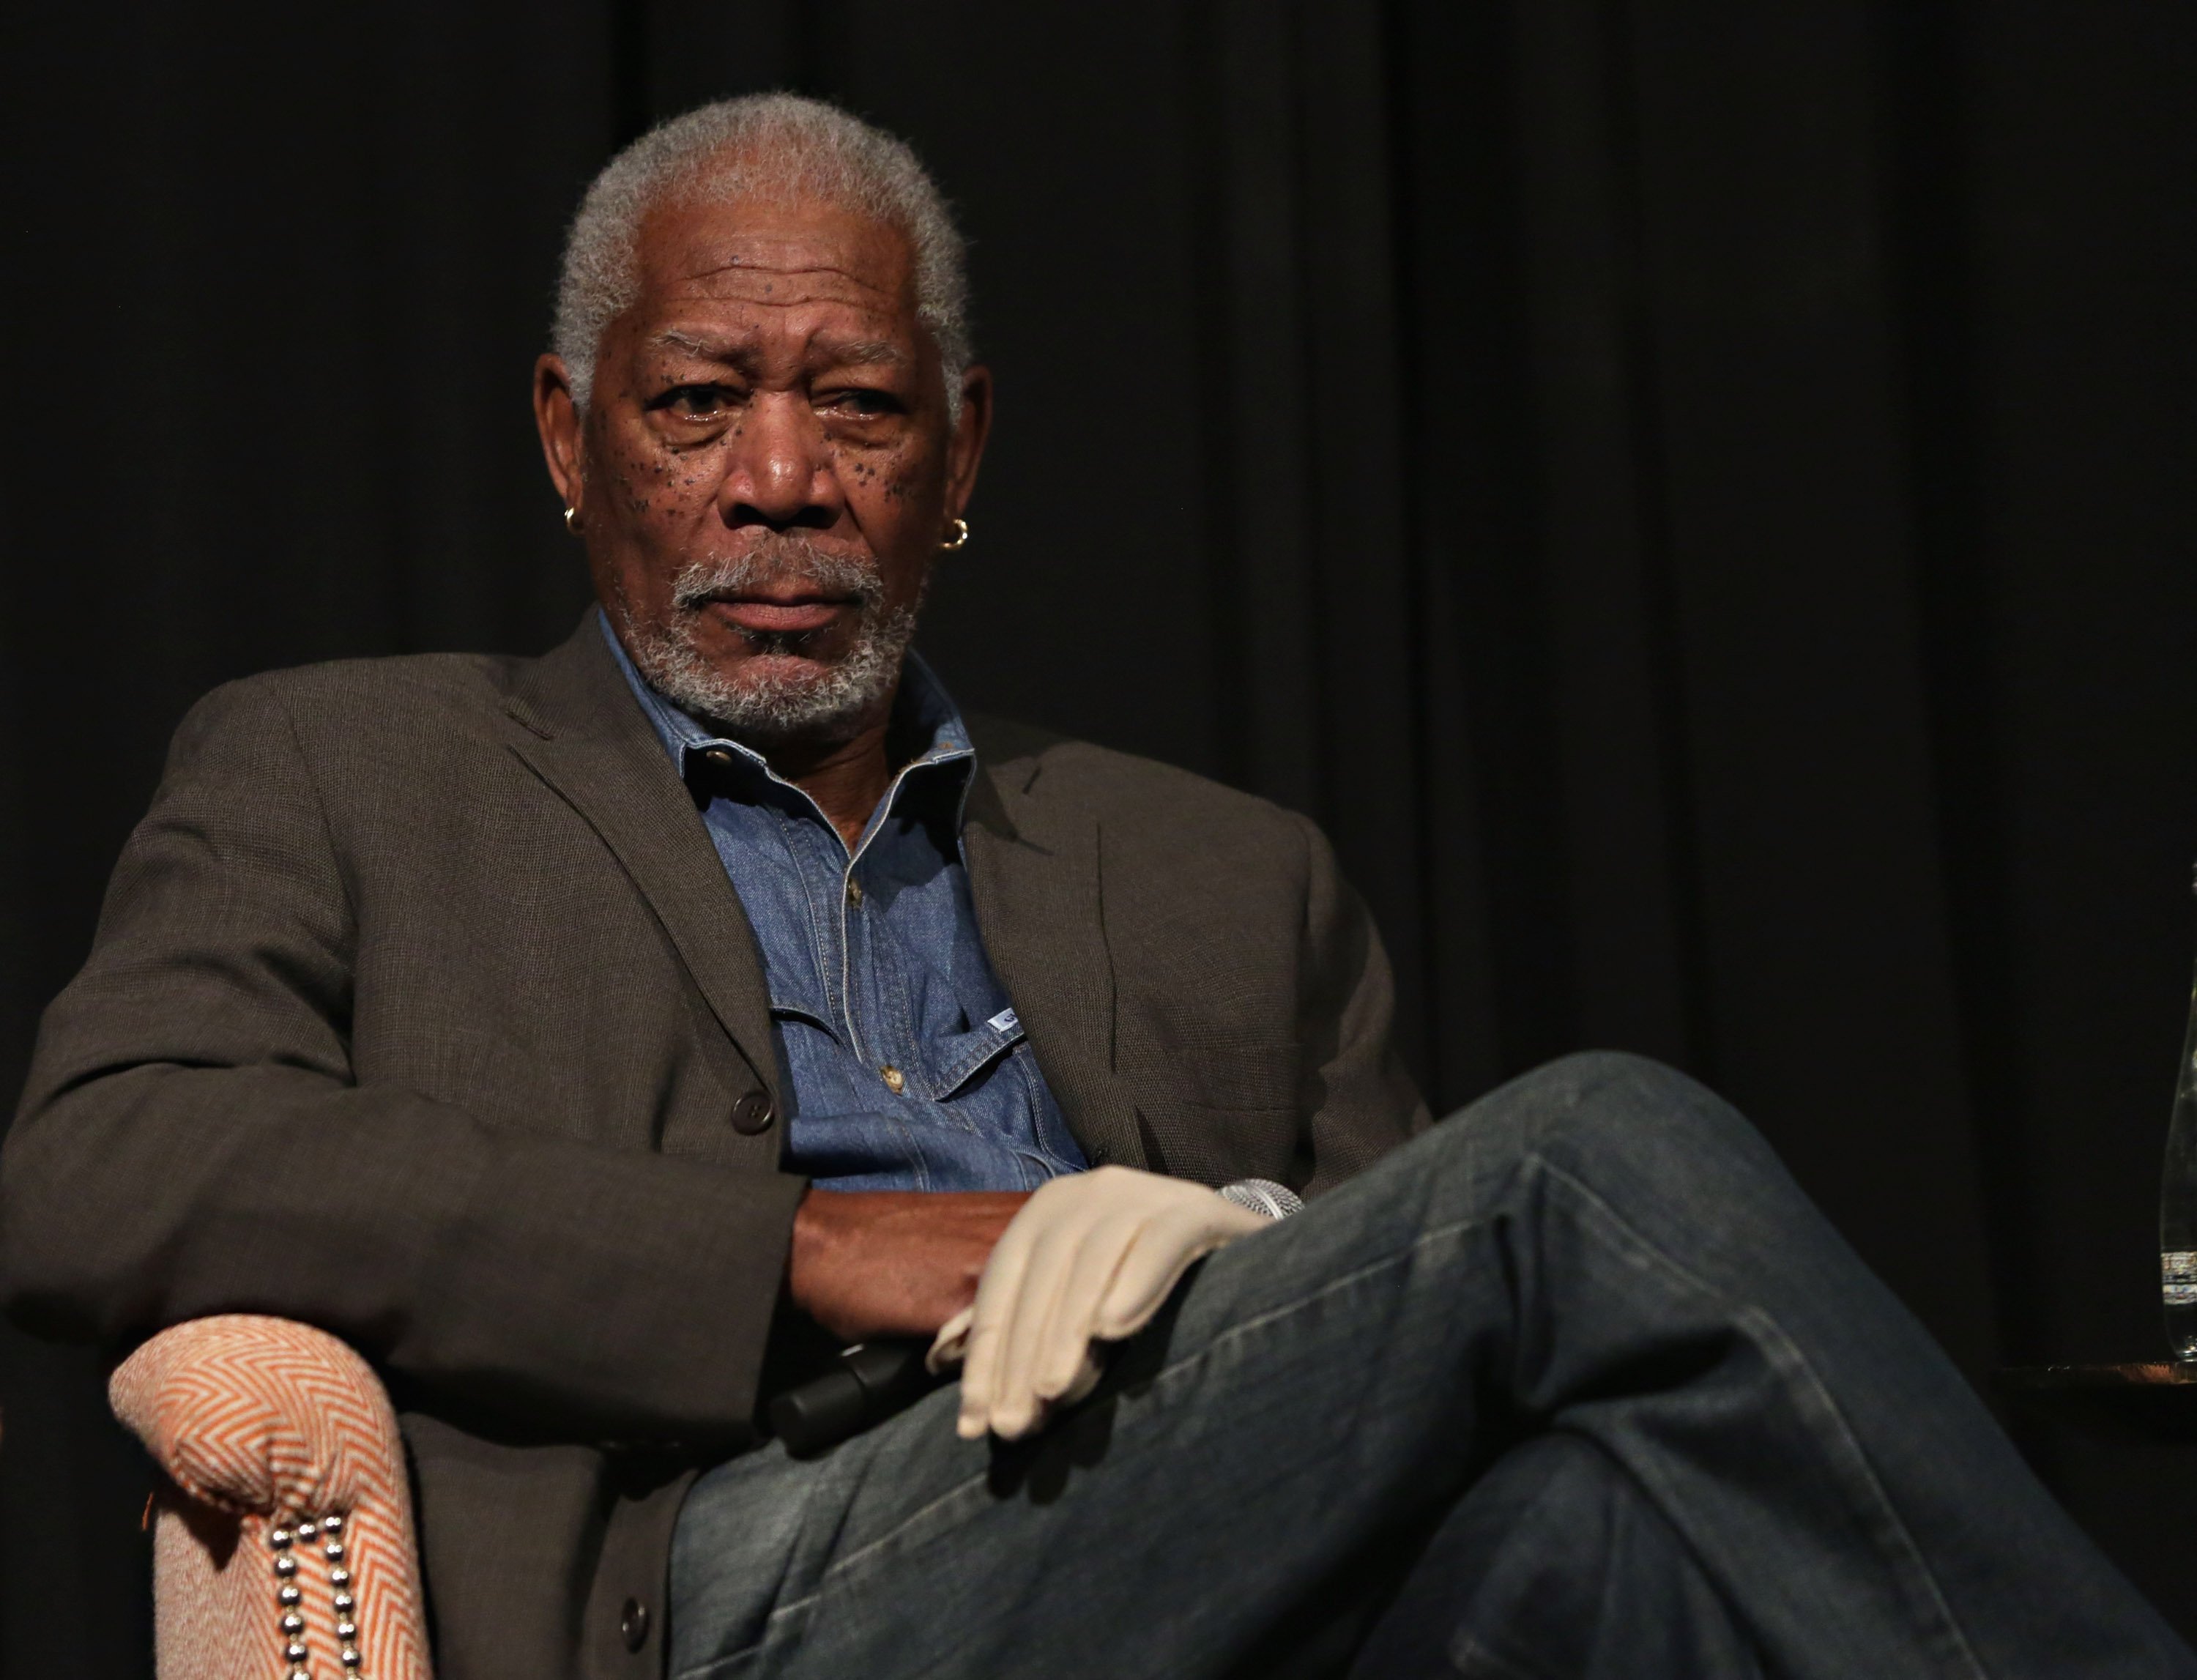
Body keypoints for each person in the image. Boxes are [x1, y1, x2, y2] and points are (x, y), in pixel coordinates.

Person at [0, 93, 2185, 1680]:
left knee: (1591, 1517)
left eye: (855, 406)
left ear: (964, 453)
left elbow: (1429, 1339)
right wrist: (821, 1249)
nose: (778, 480)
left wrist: (1244, 1256)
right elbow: (101, 1161)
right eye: (696, 405)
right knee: (1598, 1157)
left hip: (1206, 1570)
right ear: (573, 440)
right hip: (738, 1583)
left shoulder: (1233, 874)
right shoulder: (348, 765)